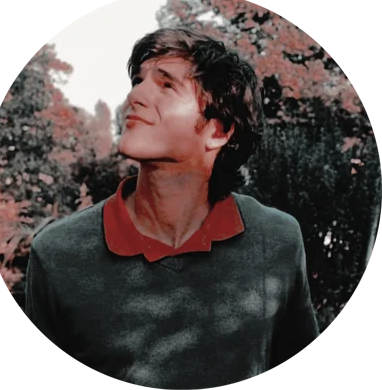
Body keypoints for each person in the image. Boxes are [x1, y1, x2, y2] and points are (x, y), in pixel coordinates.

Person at [25, 27, 319, 386]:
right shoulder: (57, 253)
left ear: (219, 131)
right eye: (138, 80)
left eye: (166, 85)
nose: (134, 95)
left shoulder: (277, 239)